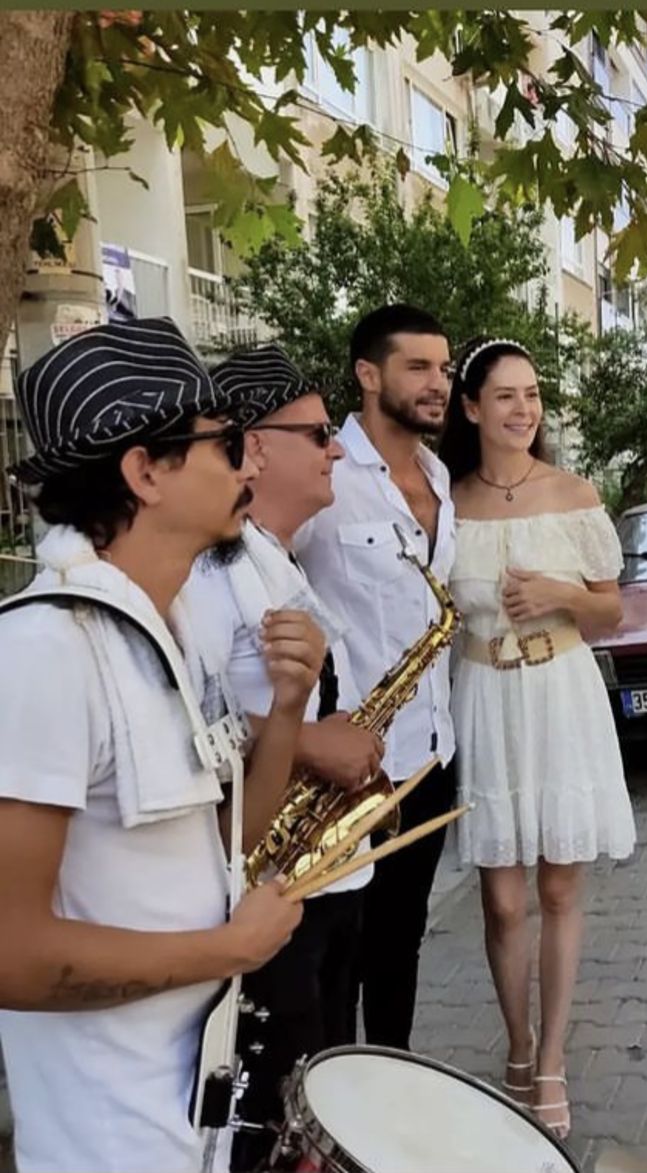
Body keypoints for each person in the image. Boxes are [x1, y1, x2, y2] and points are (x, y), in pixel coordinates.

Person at [0, 319, 316, 1173]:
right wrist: (230, 948)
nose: (247, 464)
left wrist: (286, 710)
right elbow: (10, 952)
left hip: (193, 1116)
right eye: (223, 444)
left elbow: (227, 850)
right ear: (145, 472)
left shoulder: (169, 630)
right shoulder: (45, 649)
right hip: (108, 1143)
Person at [183, 345, 384, 1172]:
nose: (336, 447)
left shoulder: (272, 556)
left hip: (317, 877)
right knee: (275, 1117)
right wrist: (312, 739)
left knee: (322, 1107)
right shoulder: (209, 567)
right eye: (316, 432)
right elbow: (196, 715)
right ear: (255, 445)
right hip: (265, 889)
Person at [437, 335, 635, 1139]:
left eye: (533, 394)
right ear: (472, 407)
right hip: (486, 693)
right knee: (499, 896)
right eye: (507, 396)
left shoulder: (574, 492)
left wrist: (558, 590)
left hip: (560, 691)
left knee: (557, 888)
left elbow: (612, 610)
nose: (524, 409)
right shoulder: (446, 502)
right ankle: (514, 1042)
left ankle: (549, 1056)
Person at [295, 304, 457, 1050]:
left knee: (401, 946)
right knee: (338, 954)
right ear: (367, 375)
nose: (439, 384)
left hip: (427, 754)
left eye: (445, 369)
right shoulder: (325, 476)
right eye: (417, 367)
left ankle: (393, 1091)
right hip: (346, 772)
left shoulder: (439, 473)